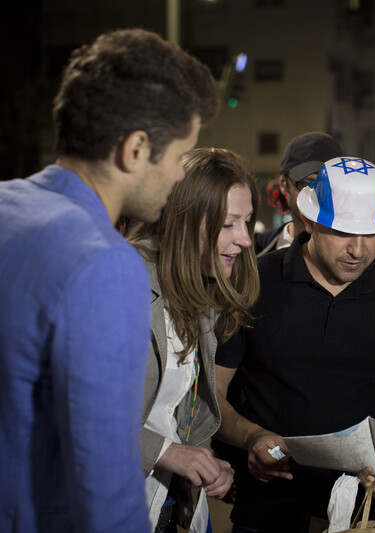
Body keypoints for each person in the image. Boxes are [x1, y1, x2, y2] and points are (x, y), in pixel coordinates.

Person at [0, 29, 218, 532]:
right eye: (177, 157)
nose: (180, 177)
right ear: (135, 148)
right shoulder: (105, 263)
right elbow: (105, 481)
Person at [213, 156, 375, 532]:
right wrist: (250, 437)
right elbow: (211, 390)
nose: (358, 250)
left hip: (362, 515)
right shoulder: (254, 283)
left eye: (372, 234)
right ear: (310, 220)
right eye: (343, 233)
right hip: (268, 513)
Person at [126, 148, 260, 532]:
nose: (246, 239)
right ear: (184, 221)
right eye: (229, 224)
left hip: (169, 507)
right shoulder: (123, 281)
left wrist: (203, 457)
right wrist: (168, 453)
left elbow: (173, 413)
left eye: (247, 221)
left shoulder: (201, 291)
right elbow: (76, 412)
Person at [256, 132, 375, 274]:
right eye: (309, 182)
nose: (318, 193)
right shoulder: (258, 248)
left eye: (331, 185)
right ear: (284, 184)